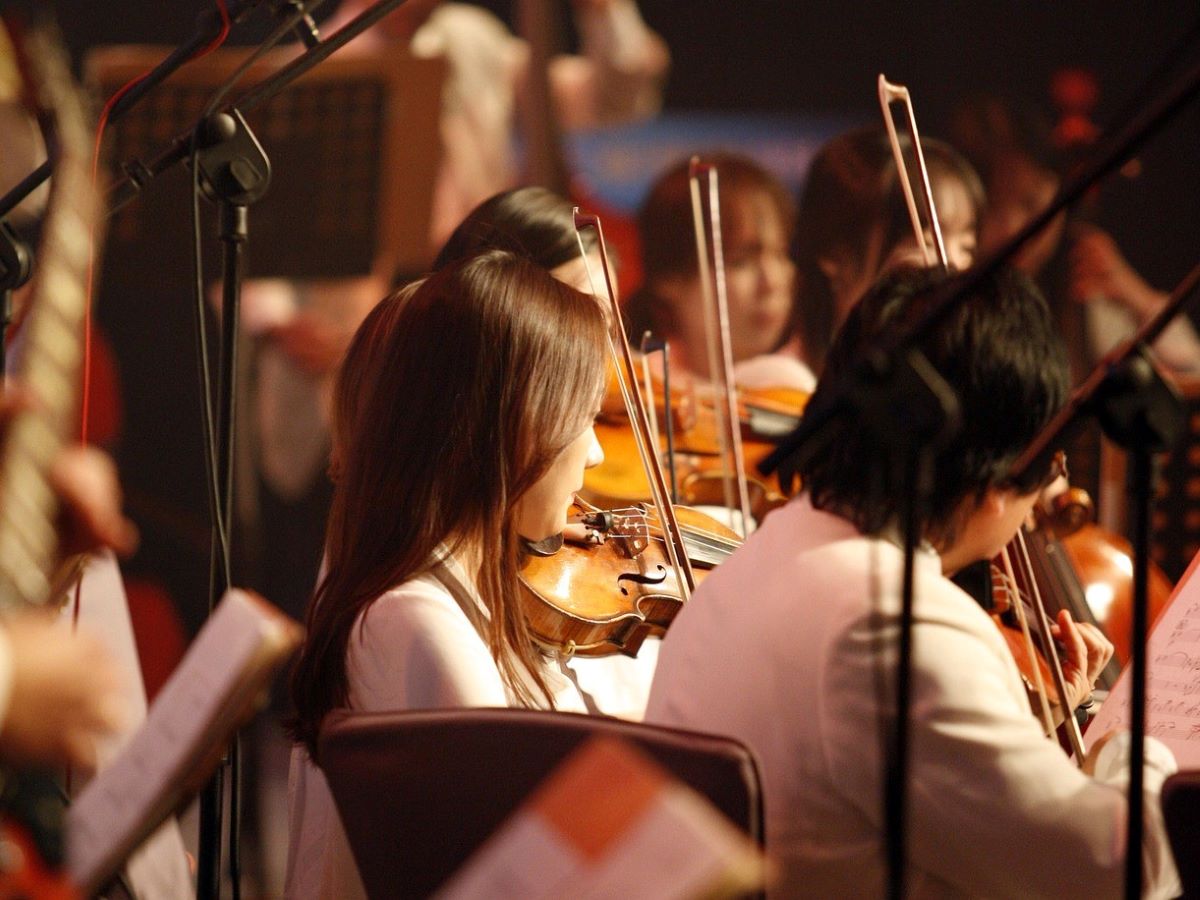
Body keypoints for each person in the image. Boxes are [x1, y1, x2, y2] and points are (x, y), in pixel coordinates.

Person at [645, 266, 1181, 897]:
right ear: (991, 478)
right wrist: (1134, 751)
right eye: (1050, 463)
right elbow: (1113, 871)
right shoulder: (892, 624)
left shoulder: (764, 554)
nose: (1048, 496)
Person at [285, 250, 611, 898]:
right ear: (521, 425)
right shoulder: (417, 622)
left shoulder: (442, 596)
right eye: (586, 420)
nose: (598, 454)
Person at [323, 0, 670, 249]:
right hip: (358, 312)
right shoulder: (329, 57)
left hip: (481, 274)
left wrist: (603, 9)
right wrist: (273, 316)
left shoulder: (471, 36)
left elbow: (612, 101)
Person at [793, 127, 984, 377]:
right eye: (924, 242)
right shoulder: (784, 384)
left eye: (966, 247)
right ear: (835, 253)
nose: (952, 266)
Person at [624, 153, 812, 391]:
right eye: (740, 262)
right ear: (668, 278)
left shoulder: (809, 386)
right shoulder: (640, 390)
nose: (772, 282)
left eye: (783, 254)